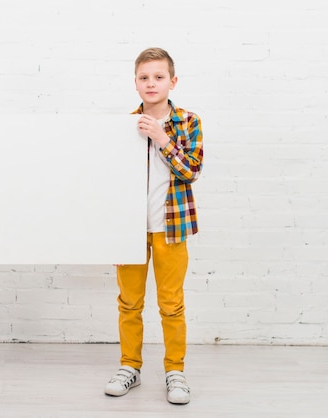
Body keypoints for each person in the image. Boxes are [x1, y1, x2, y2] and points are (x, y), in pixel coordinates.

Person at [104, 47, 203, 405]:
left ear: (172, 81)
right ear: (135, 83)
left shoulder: (188, 121)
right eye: (144, 77)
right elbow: (112, 185)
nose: (151, 83)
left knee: (171, 304)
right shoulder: (123, 126)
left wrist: (162, 138)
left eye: (159, 77)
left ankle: (175, 371)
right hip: (131, 230)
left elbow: (191, 170)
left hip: (171, 229)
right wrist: (114, 235)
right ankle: (129, 366)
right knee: (129, 302)